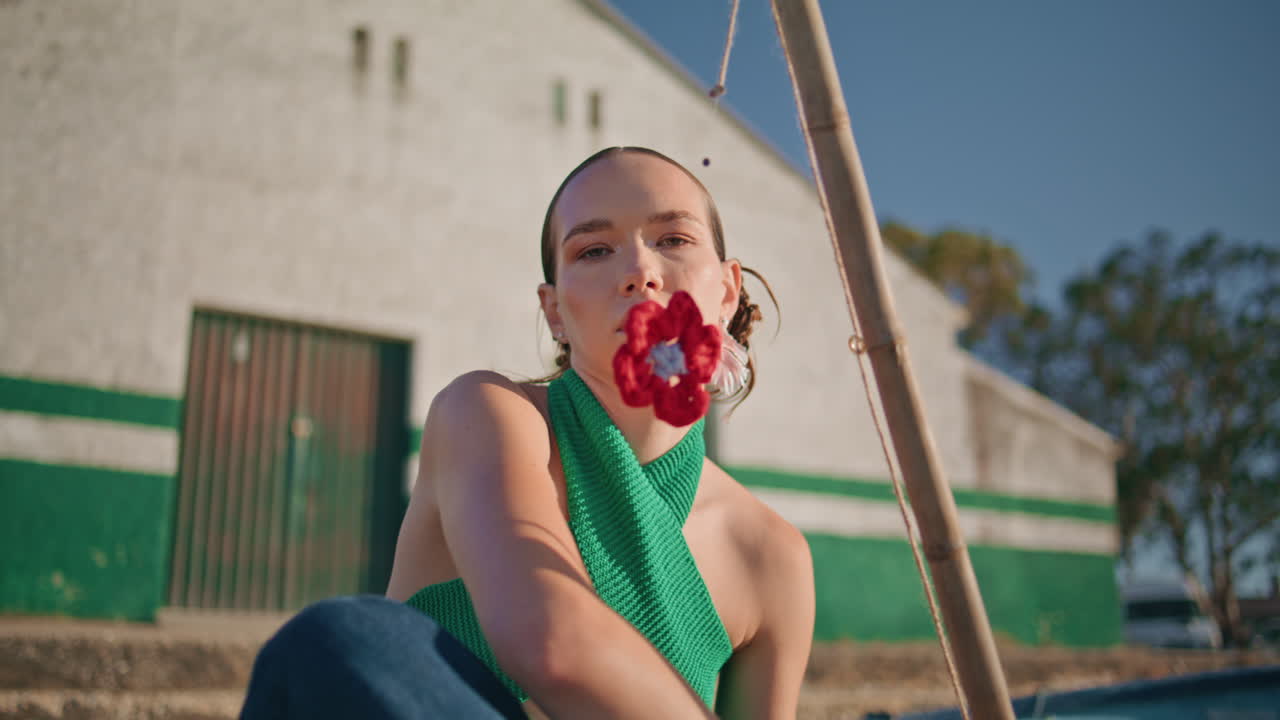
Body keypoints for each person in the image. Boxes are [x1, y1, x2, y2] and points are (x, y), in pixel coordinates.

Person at [240, 147, 815, 720]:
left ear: (727, 289)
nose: (640, 271)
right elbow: (552, 638)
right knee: (343, 641)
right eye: (593, 250)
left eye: (673, 240)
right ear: (555, 311)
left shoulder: (771, 555)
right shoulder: (485, 414)